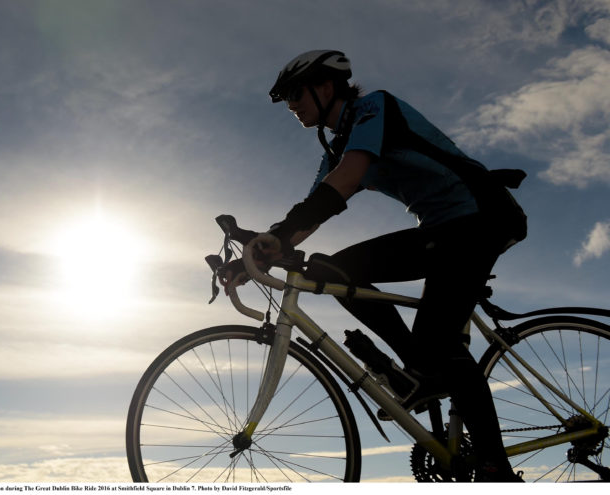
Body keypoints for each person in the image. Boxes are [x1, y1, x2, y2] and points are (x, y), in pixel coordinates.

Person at [221, 50, 526, 482]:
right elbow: (314, 210)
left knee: (438, 341)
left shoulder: (372, 108)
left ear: (326, 86)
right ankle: (421, 374)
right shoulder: (340, 144)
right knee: (330, 270)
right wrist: (251, 259)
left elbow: (344, 181)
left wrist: (282, 233)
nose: (291, 105)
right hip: (441, 230)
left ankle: (496, 468)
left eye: (294, 93)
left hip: (480, 217)